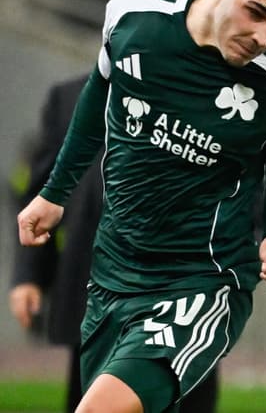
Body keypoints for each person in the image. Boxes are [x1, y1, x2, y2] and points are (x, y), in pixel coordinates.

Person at [16, 0, 266, 413]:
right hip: (111, 274)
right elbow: (102, 91)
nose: (264, 37)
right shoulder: (135, 9)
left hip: (201, 285)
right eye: (257, 13)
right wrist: (55, 193)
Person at [9, 75, 220, 413]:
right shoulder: (68, 97)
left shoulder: (212, 92)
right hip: (91, 286)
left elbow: (243, 183)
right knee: (89, 395)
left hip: (182, 285)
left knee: (186, 390)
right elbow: (42, 192)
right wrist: (28, 275)